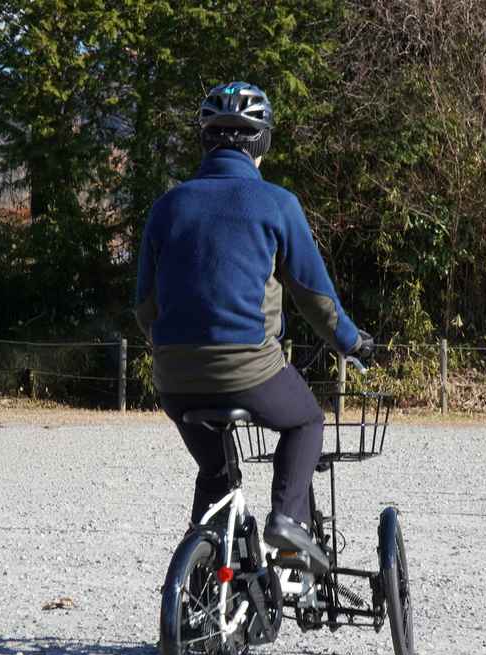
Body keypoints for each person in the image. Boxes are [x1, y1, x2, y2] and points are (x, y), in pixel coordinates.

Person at [135, 81, 374, 573]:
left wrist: (174, 347)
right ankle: (288, 523)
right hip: (249, 367)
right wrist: (352, 342)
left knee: (217, 470)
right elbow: (315, 296)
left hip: (174, 376)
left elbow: (144, 305)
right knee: (305, 421)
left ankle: (203, 574)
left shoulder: (167, 206)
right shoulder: (275, 204)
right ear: (261, 143)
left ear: (205, 140)